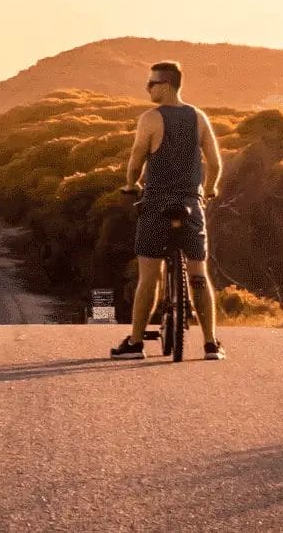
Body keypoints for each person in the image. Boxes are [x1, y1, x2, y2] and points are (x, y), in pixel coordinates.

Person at [112, 60, 226, 360]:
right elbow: (215, 164)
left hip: (157, 203)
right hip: (191, 204)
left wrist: (131, 184)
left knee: (149, 275)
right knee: (199, 273)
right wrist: (210, 188)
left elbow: (136, 162)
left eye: (151, 83)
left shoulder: (150, 119)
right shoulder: (198, 117)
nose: (147, 88)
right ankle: (211, 343)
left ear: (165, 84)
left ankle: (136, 343)